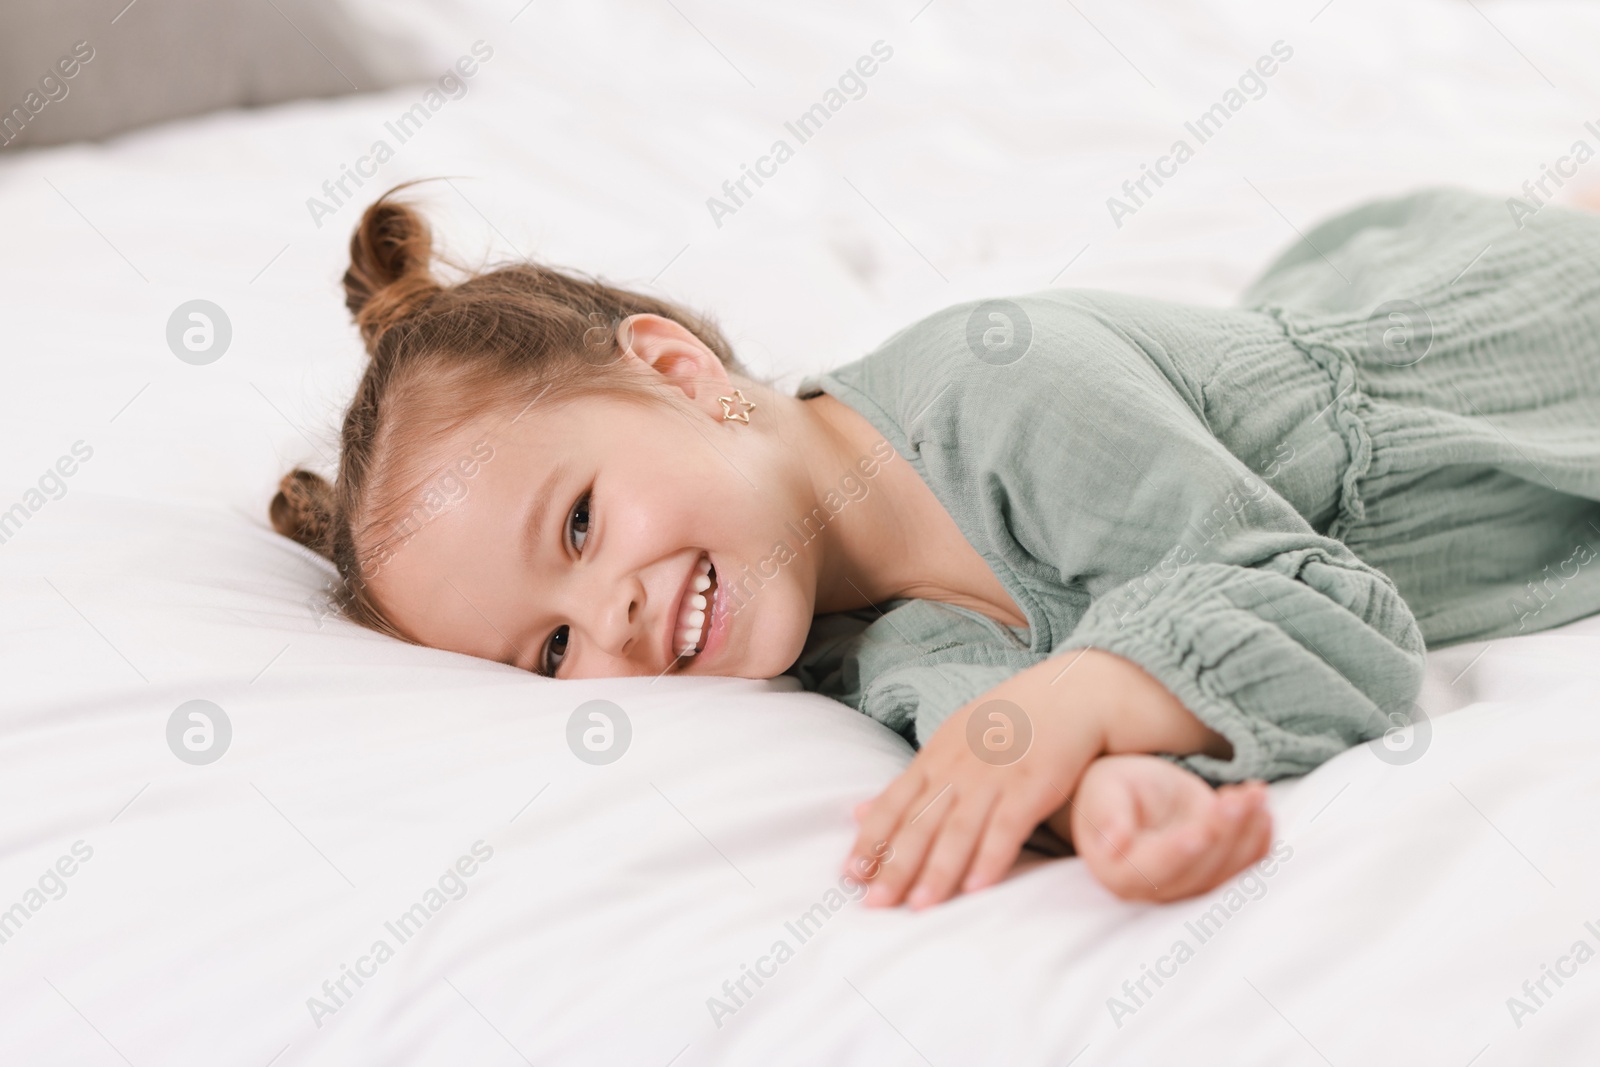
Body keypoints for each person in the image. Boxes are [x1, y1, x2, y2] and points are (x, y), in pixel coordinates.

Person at [270, 179, 1600, 910]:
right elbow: (1005, 736)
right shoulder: (858, 653)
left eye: (578, 522)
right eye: (549, 648)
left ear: (682, 373)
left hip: (1524, 361)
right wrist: (1110, 800)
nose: (608, 621)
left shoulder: (991, 386)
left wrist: (1087, 694)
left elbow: (1330, 610)